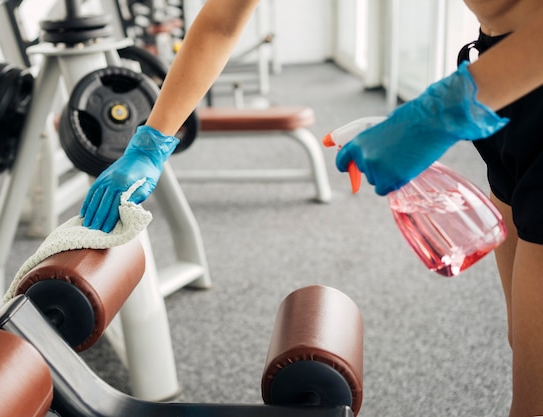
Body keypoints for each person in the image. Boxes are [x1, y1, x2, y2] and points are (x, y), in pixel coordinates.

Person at [80, 0, 543, 415]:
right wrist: (152, 140)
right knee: (525, 347)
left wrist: (438, 115)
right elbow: (223, 20)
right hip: (501, 81)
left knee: (537, 389)